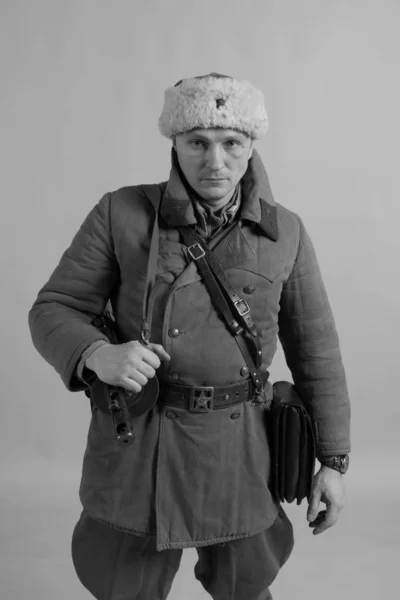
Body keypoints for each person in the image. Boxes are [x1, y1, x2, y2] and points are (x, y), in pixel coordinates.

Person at [28, 72, 351, 600]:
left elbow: (317, 351)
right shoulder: (122, 213)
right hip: (139, 442)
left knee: (246, 585)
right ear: (175, 143)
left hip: (240, 449)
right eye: (198, 142)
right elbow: (54, 308)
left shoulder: (285, 232)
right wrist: (96, 353)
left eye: (231, 143)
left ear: (251, 146)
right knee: (121, 583)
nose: (215, 162)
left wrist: (334, 462)